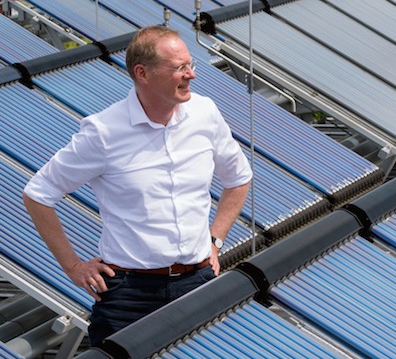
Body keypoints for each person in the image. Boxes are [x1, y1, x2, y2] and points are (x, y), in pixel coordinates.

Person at [22, 25, 252, 348]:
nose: (191, 75)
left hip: (199, 282)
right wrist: (73, 266)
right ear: (142, 73)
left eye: (191, 65)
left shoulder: (205, 114)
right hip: (129, 296)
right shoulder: (104, 133)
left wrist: (215, 240)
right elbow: (37, 194)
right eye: (179, 68)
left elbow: (239, 177)